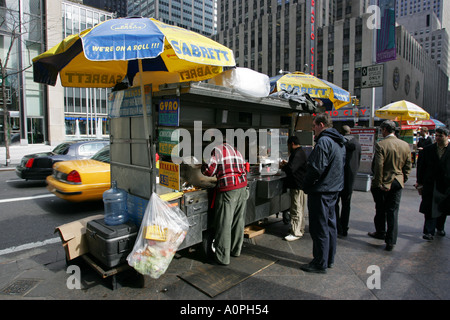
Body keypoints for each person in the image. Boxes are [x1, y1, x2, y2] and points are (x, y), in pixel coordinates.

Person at [301, 113, 346, 273]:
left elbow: (316, 168)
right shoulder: (339, 142)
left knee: (319, 227)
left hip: (321, 191)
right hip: (333, 189)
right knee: (330, 225)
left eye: (314, 126)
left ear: (321, 125)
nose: (313, 129)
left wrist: (306, 184)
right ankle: (329, 259)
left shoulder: (324, 142)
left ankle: (320, 263)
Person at [202, 141, 248, 265]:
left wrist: (203, 165)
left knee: (224, 223)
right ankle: (235, 250)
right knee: (238, 221)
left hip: (229, 190)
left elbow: (209, 171)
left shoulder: (217, 150)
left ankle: (222, 257)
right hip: (242, 187)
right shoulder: (236, 150)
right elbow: (243, 168)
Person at [369, 120, 412, 251]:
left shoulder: (381, 145)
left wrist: (378, 183)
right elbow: (408, 165)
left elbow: (379, 166)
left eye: (382, 130)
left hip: (383, 182)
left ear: (385, 130)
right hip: (398, 181)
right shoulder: (405, 145)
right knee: (393, 212)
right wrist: (403, 179)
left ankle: (381, 232)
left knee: (381, 209)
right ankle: (391, 240)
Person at [416, 127, 450, 240]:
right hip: (431, 184)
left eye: (441, 136)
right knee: (430, 209)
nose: (438, 138)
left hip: (446, 185)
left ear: (447, 136)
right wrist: (419, 182)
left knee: (443, 208)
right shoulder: (428, 150)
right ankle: (428, 231)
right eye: (436, 135)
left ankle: (440, 227)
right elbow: (421, 167)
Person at [280, 135, 308, 241]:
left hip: (297, 185)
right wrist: (287, 164)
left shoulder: (297, 153)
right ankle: (300, 229)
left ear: (292, 144)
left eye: (288, 145)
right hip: (301, 185)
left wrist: (283, 167)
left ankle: (295, 232)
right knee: (300, 208)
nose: (288, 148)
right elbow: (294, 166)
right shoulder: (300, 152)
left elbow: (291, 169)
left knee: (296, 208)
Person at [335, 125, 362, 237]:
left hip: (339, 178)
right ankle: (344, 227)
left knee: (335, 203)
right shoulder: (357, 144)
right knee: (346, 204)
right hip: (350, 179)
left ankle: (337, 226)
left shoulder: (340, 144)